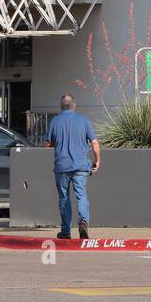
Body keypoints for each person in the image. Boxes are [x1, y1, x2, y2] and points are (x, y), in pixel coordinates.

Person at [44, 94, 100, 239]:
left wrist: (60, 143)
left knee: (64, 198)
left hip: (62, 166)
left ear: (61, 106)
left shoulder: (55, 121)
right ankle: (83, 222)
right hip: (81, 166)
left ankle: (66, 231)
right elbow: (94, 143)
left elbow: (48, 143)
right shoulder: (84, 121)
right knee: (81, 195)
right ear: (74, 106)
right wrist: (97, 161)